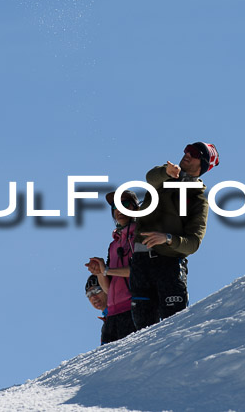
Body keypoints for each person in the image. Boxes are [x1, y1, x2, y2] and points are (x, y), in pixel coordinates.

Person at [130, 142, 219, 330]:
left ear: (202, 165)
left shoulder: (198, 200)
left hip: (169, 265)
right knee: (141, 332)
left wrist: (168, 238)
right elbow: (150, 177)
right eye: (187, 150)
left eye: (194, 153)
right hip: (140, 264)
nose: (187, 154)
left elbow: (193, 243)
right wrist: (166, 172)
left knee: (174, 328)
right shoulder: (164, 178)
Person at [85, 190, 139, 344]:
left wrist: (107, 270)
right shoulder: (114, 244)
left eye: (125, 204)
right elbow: (109, 289)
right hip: (113, 314)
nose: (119, 210)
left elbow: (140, 271)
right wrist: (100, 273)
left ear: (135, 208)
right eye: (115, 206)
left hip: (134, 309)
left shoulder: (141, 236)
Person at [85, 275, 108, 345]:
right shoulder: (107, 322)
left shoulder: (124, 313)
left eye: (97, 290)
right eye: (88, 294)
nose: (93, 297)